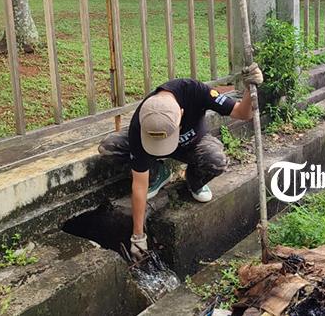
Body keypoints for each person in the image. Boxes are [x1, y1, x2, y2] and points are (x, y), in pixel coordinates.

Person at [98, 66, 263, 260]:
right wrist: (138, 236)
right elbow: (139, 185)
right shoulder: (141, 123)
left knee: (216, 160)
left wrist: (249, 90)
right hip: (150, 146)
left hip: (191, 145)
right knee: (109, 147)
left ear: (182, 113)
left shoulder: (196, 91)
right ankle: (158, 173)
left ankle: (194, 180)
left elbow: (243, 113)